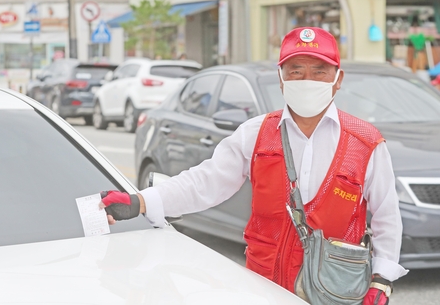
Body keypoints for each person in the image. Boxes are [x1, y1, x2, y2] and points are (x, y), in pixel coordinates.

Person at [100, 27, 408, 304]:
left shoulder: (366, 143)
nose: (307, 80)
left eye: (319, 71)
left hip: (334, 289)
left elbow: (386, 217)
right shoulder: (256, 134)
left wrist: (381, 281)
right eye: (296, 71)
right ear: (281, 79)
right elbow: (205, 182)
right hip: (264, 286)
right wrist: (139, 202)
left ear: (338, 79)